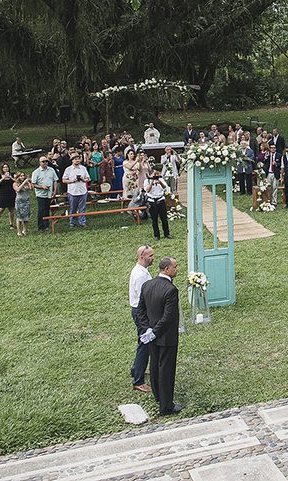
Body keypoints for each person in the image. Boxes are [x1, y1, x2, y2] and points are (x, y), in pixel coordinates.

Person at [137, 256, 182, 415]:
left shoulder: (147, 285)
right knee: (166, 370)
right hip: (166, 337)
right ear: (167, 269)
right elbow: (168, 316)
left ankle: (158, 395)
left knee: (155, 366)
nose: (176, 270)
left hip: (152, 336)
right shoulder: (170, 290)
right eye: (175, 267)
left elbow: (140, 311)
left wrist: (147, 329)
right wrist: (155, 332)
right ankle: (166, 406)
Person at [128, 245, 155, 393]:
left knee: (142, 341)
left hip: (140, 311)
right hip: (141, 312)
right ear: (141, 257)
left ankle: (137, 368)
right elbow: (143, 296)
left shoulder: (142, 272)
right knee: (145, 343)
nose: (153, 258)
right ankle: (138, 380)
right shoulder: (140, 275)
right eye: (150, 256)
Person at [31, 155, 59, 231]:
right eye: (43, 161)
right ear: (39, 163)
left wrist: (55, 191)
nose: (45, 163)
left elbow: (55, 181)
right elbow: (33, 184)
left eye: (46, 161)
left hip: (49, 193)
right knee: (41, 209)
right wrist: (42, 187)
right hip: (40, 194)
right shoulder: (36, 172)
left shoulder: (51, 170)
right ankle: (41, 226)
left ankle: (46, 225)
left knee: (47, 209)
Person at [62, 153, 89, 227]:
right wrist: (72, 180)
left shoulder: (83, 168)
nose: (77, 160)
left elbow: (88, 178)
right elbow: (64, 180)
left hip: (82, 190)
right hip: (72, 191)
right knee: (73, 208)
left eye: (78, 159)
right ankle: (72, 222)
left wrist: (83, 179)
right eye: (75, 159)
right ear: (72, 160)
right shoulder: (68, 169)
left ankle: (82, 221)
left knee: (82, 208)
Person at [143, 169, 172, 240]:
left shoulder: (161, 179)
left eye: (157, 174)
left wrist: (159, 181)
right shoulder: (147, 181)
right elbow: (147, 190)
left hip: (160, 200)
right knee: (154, 219)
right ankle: (156, 235)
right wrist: (152, 181)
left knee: (164, 219)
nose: (156, 176)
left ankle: (167, 234)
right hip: (152, 201)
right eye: (154, 174)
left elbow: (165, 187)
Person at [0, 163, 16, 233]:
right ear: (2, 169)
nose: (6, 168)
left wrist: (10, 177)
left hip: (11, 194)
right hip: (3, 195)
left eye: (7, 167)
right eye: (4, 167)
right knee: (0, 210)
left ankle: (11, 224)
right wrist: (3, 178)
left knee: (11, 209)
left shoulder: (13, 174)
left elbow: (17, 181)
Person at [13, 172, 33, 236]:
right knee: (20, 217)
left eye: (23, 176)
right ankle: (19, 231)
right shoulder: (15, 184)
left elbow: (31, 188)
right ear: (18, 177)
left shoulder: (26, 183)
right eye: (21, 176)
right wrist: (24, 182)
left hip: (26, 201)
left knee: (26, 216)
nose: (22, 177)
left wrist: (29, 181)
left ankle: (25, 230)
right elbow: (18, 190)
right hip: (20, 201)